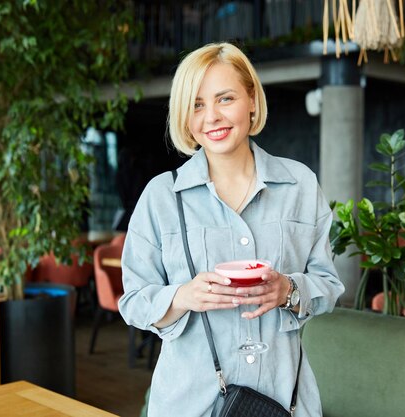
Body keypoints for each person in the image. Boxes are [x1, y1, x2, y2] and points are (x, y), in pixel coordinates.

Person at [118, 42, 344, 417]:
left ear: (252, 100)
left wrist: (288, 289)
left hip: (284, 398)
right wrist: (183, 297)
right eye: (197, 104)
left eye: (225, 98)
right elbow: (133, 301)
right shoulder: (162, 196)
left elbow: (328, 284)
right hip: (189, 403)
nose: (212, 117)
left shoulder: (299, 185)